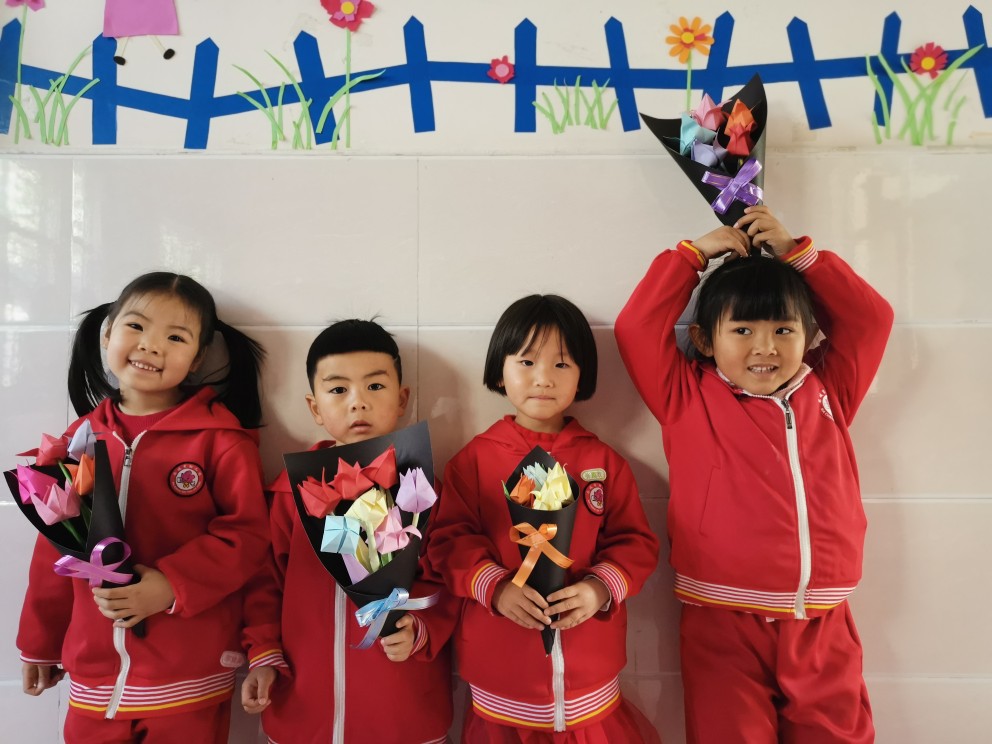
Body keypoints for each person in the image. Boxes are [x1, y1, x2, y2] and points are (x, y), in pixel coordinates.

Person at [615, 206, 894, 743]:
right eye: (742, 329)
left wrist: (799, 256)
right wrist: (691, 257)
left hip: (821, 621)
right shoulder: (686, 396)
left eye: (783, 329)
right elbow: (636, 328)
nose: (765, 347)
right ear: (704, 340)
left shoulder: (828, 389)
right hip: (723, 622)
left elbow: (871, 321)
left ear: (809, 336)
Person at [17, 272, 271, 743]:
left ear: (198, 358)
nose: (151, 345)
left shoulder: (221, 440)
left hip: (187, 680)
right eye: (136, 326)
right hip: (93, 681)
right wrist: (40, 642)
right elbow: (53, 547)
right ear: (107, 334)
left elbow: (248, 536)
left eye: (176, 337)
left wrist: (173, 585)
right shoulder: (77, 441)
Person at [428, 295, 660, 743]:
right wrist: (495, 588)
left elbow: (635, 542)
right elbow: (449, 540)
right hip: (500, 680)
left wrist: (599, 589)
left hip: (590, 683)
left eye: (562, 364)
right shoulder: (473, 461)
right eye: (527, 361)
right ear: (500, 370)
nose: (543, 378)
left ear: (582, 375)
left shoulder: (604, 462)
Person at [240, 319, 456, 744]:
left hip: (402, 714)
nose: (358, 402)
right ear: (314, 407)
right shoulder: (289, 493)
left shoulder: (421, 491)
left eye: (375, 386)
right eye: (338, 389)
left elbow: (448, 581)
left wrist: (420, 629)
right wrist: (262, 655)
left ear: (402, 399)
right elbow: (264, 583)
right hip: (302, 711)